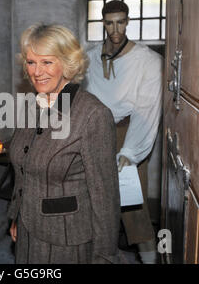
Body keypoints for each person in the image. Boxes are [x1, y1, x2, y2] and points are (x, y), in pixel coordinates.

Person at [7, 23, 122, 264]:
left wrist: (104, 256)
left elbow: (105, 197)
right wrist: (17, 215)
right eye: (31, 62)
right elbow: (23, 169)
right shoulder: (32, 105)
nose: (37, 72)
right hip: (27, 231)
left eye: (47, 62)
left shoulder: (93, 115)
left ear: (67, 64)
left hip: (66, 240)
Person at [85, 0, 163, 264]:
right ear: (103, 23)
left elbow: (147, 108)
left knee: (134, 209)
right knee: (94, 200)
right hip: (95, 132)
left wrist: (130, 151)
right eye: (109, 23)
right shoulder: (92, 56)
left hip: (127, 134)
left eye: (120, 21)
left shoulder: (147, 60)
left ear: (128, 21)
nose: (115, 28)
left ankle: (150, 261)